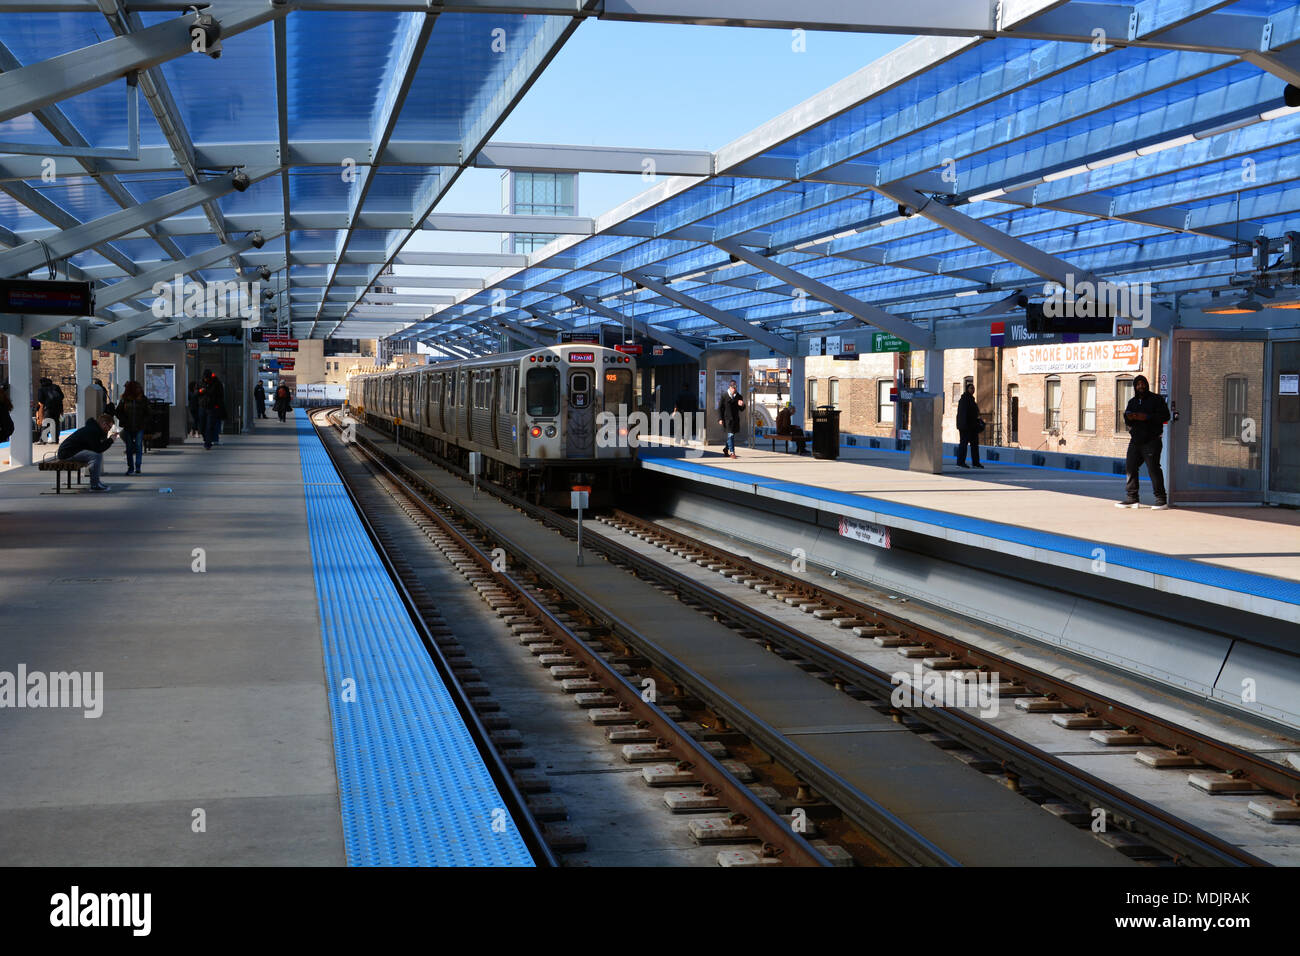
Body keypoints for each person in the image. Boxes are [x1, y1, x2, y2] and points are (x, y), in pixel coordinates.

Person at [1117, 373, 1171, 510]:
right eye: (1138, 384)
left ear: (1146, 385)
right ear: (1135, 387)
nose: (1141, 386)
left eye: (1143, 384)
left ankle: (1161, 499)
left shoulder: (1156, 399)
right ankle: (1132, 499)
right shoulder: (1132, 402)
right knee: (1130, 467)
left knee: (1153, 469)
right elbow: (1127, 419)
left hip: (1152, 441)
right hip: (1135, 441)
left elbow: (1166, 416)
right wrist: (1130, 417)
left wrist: (1146, 417)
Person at [57, 412, 115, 491]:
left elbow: (97, 447)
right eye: (109, 427)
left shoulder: (94, 429)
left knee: (97, 455)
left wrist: (108, 439)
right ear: (104, 424)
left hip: (72, 451)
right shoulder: (92, 430)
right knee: (96, 456)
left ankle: (96, 482)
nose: (109, 429)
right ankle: (94, 485)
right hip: (67, 453)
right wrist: (111, 440)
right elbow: (97, 448)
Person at [115, 380, 150, 475]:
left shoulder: (143, 399)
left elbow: (148, 412)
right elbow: (118, 411)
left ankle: (138, 466)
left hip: (140, 426)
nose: (139, 389)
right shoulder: (124, 399)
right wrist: (124, 420)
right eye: (137, 388)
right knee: (129, 448)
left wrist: (144, 422)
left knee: (138, 446)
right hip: (128, 426)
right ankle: (130, 467)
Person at [955, 382, 984, 469]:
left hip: (972, 427)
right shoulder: (964, 399)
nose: (973, 390)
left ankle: (976, 463)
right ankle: (960, 462)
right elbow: (963, 414)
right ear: (967, 389)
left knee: (974, 445)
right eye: (971, 388)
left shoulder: (971, 400)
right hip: (966, 427)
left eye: (973, 388)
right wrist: (963, 426)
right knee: (963, 444)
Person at [717, 379, 745, 459]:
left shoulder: (739, 396)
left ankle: (726, 449)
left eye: (735, 388)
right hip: (727, 419)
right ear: (730, 387)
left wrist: (742, 404)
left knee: (731, 436)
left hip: (735, 420)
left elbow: (742, 409)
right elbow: (720, 408)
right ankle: (732, 453)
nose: (734, 389)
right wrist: (720, 419)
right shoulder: (724, 395)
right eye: (733, 388)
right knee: (731, 435)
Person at [198, 370, 225, 449]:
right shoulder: (200, 383)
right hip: (202, 407)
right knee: (202, 426)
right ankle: (206, 438)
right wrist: (200, 391)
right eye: (205, 378)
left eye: (207, 378)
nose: (206, 379)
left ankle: (208, 443)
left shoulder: (216, 384)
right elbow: (196, 393)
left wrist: (217, 405)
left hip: (212, 408)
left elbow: (220, 395)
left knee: (209, 426)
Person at [36, 376, 65, 443]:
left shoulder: (41, 389)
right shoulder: (56, 387)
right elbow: (62, 396)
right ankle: (55, 440)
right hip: (58, 408)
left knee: (46, 423)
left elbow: (41, 400)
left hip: (49, 408)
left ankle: (43, 440)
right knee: (56, 423)